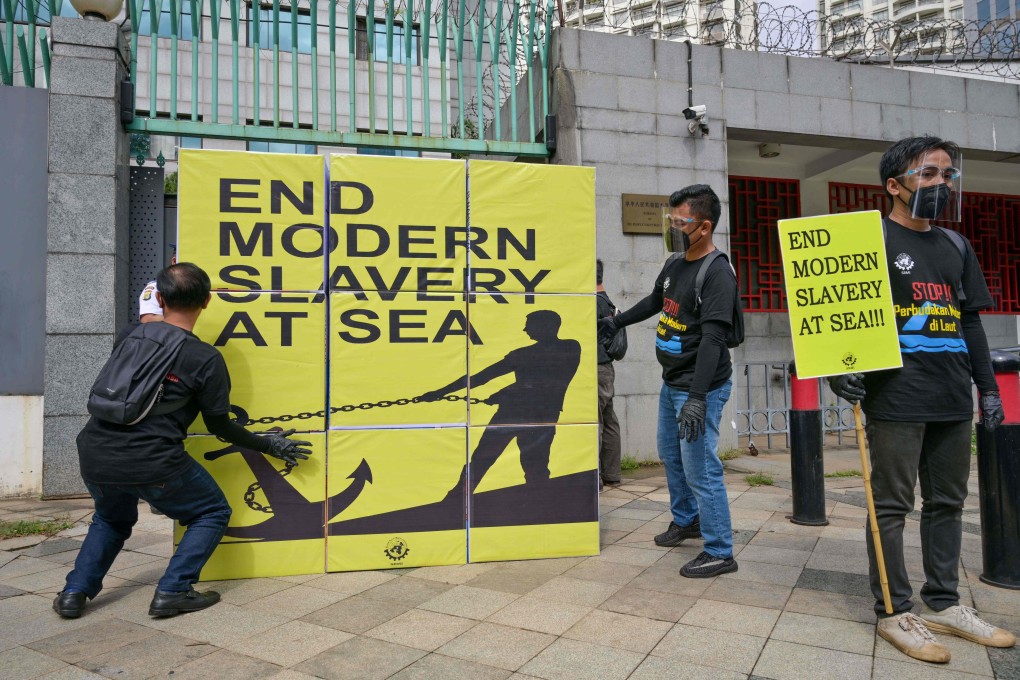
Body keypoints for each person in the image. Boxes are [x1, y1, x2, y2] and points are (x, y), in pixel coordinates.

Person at [828, 136, 1014, 663]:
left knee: (948, 503)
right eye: (928, 174)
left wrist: (988, 389)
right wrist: (837, 372)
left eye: (947, 174)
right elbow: (833, 314)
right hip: (896, 396)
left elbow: (970, 322)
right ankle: (894, 611)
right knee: (890, 505)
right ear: (894, 185)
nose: (941, 184)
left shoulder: (956, 245)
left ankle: (944, 602)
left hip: (951, 396)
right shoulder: (866, 240)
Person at [53, 263, 312, 620]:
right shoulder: (205, 358)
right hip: (154, 459)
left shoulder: (130, 336)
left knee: (111, 519)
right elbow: (220, 426)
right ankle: (174, 591)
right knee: (211, 511)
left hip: (95, 450)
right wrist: (268, 445)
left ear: (159, 299)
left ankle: (74, 593)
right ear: (207, 301)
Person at [599, 184, 738, 578]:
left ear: (704, 226)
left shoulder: (717, 273)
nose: (671, 228)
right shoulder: (676, 263)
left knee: (701, 467)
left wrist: (697, 398)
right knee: (671, 455)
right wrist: (617, 321)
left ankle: (720, 550)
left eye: (679, 222)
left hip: (701, 388)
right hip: (673, 382)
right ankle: (687, 520)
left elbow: (713, 340)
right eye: (670, 220)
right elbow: (656, 301)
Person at [420, 310, 581, 497]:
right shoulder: (565, 348)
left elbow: (543, 379)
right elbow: (483, 377)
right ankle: (538, 501)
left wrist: (505, 392)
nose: (525, 329)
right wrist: (440, 393)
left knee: (491, 458)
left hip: (518, 412)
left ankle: (457, 497)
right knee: (531, 462)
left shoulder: (554, 349)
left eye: (529, 325)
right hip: (539, 413)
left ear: (546, 326)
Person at [595, 259, 622, 490]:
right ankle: (611, 474)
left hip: (595, 368)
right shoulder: (607, 300)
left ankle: (593, 477)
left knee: (596, 421)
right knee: (609, 419)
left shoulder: (593, 302)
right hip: (606, 369)